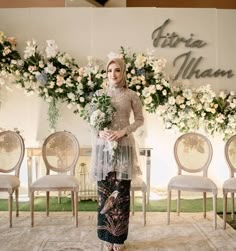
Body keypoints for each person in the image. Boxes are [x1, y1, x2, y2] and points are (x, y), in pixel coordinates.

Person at [90, 57, 144, 251]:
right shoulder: (99, 94)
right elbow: (92, 121)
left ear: (123, 73)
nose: (113, 74)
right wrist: (99, 131)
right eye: (109, 70)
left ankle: (118, 238)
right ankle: (105, 235)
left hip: (123, 148)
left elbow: (139, 120)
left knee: (120, 194)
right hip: (103, 150)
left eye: (117, 70)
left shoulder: (131, 95)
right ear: (106, 73)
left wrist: (123, 131)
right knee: (104, 194)